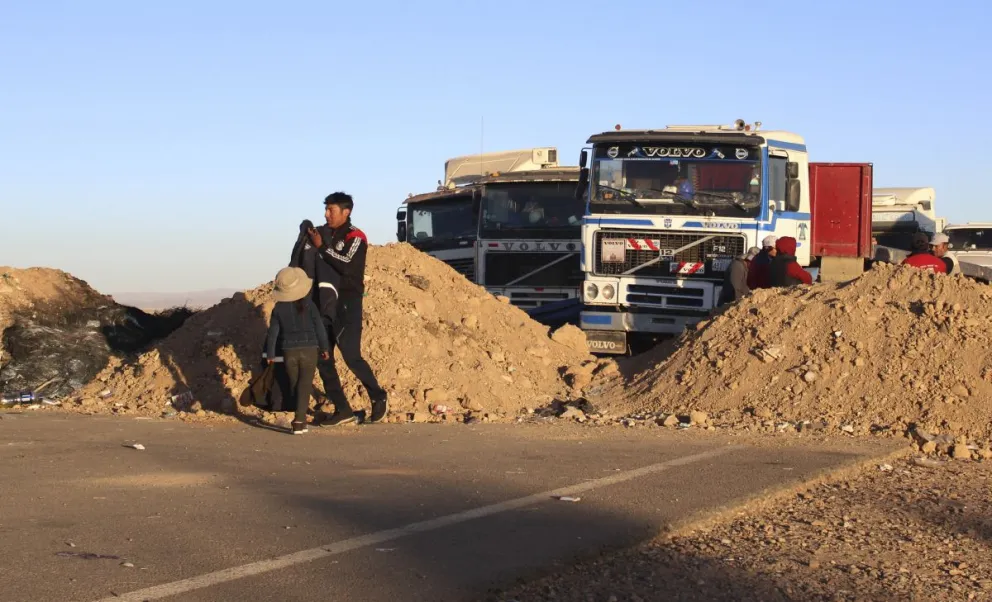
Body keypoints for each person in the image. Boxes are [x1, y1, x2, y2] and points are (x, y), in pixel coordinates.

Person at [305, 192, 389, 426]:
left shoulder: (356, 237)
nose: (326, 214)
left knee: (351, 356)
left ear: (346, 212)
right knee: (323, 356)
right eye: (326, 209)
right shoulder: (323, 234)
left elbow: (346, 264)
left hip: (347, 303)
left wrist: (322, 248)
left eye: (331, 210)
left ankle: (378, 395)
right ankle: (342, 409)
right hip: (324, 304)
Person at [264, 267, 330, 435]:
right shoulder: (310, 305)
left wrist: (270, 354)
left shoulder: (278, 309)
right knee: (304, 384)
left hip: (289, 352)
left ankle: (299, 415)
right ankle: (299, 420)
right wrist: (324, 347)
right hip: (309, 350)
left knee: (295, 383)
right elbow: (320, 328)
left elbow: (273, 333)